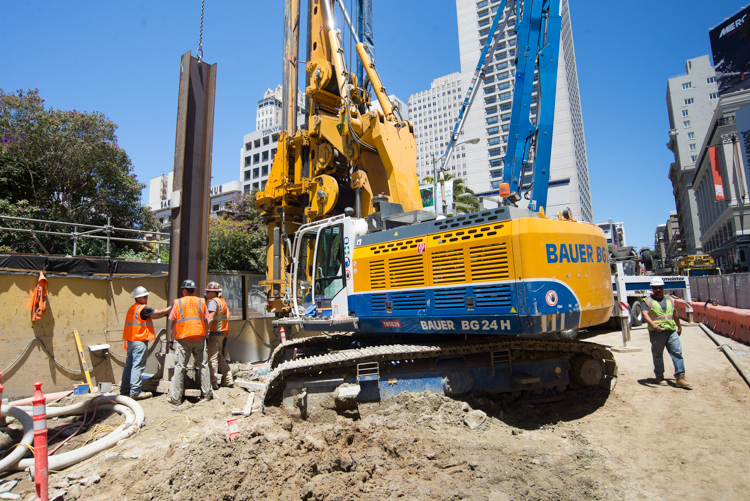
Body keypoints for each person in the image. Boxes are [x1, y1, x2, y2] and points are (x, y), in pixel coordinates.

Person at [641, 277, 693, 389]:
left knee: (677, 353)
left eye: (660, 287)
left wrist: (679, 326)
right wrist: (653, 325)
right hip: (656, 333)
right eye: (655, 288)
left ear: (663, 287)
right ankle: (659, 377)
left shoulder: (670, 300)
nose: (658, 290)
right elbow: (645, 314)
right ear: (652, 289)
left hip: (671, 331)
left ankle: (680, 378)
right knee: (658, 355)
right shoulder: (647, 301)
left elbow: (675, 314)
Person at [167, 279, 213, 405]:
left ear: (184, 290)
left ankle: (176, 398)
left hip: (183, 338)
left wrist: (171, 340)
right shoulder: (201, 301)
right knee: (203, 365)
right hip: (199, 337)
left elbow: (173, 323)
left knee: (180, 367)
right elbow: (207, 319)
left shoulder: (178, 302)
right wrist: (205, 333)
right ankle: (207, 394)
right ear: (193, 290)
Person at [121, 286, 171, 400]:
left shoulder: (132, 308)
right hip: (139, 341)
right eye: (144, 296)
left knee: (129, 365)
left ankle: (124, 390)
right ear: (138, 298)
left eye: (146, 296)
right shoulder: (143, 309)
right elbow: (159, 313)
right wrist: (171, 307)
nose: (146, 298)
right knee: (138, 366)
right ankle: (135, 392)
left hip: (131, 341)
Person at [205, 281, 234, 390]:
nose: (207, 294)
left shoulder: (213, 302)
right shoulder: (222, 301)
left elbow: (211, 318)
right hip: (222, 333)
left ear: (213, 292)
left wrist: (204, 331)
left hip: (214, 333)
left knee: (212, 358)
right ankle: (228, 379)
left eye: (208, 292)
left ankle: (213, 383)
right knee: (219, 356)